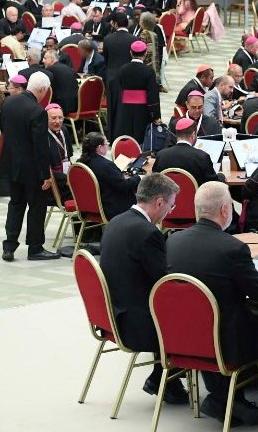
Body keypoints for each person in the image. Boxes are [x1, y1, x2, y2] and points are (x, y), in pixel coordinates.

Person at [166, 182, 258, 426]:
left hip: (179, 337)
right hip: (223, 342)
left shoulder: (172, 242)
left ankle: (224, 396)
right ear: (225, 210)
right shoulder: (232, 248)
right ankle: (230, 396)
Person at [98, 173, 188, 404]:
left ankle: (163, 378)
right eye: (171, 205)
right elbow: (164, 285)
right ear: (159, 203)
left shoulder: (115, 222)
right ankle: (172, 380)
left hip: (114, 312)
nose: (171, 211)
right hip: (137, 322)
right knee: (197, 311)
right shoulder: (148, 233)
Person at [1, 73, 60, 261]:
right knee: (36, 206)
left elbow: (4, 129)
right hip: (32, 168)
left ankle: (9, 246)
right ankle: (35, 247)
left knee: (15, 203)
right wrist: (45, 175)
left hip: (11, 163)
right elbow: (40, 146)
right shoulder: (37, 111)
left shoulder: (9, 103)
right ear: (43, 90)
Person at [78, 132, 142, 220]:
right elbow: (124, 186)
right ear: (99, 148)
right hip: (111, 207)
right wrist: (138, 178)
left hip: (88, 206)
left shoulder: (80, 163)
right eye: (106, 143)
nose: (108, 145)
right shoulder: (105, 166)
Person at [109, 40, 160, 141]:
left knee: (127, 133)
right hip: (142, 108)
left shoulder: (123, 69)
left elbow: (119, 87)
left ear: (131, 53)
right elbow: (152, 94)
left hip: (125, 107)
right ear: (145, 53)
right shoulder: (148, 71)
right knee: (140, 135)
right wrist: (155, 115)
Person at [152, 117, 226, 187]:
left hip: (168, 199)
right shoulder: (202, 157)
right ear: (193, 134)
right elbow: (212, 184)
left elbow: (154, 180)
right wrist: (221, 176)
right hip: (195, 200)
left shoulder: (161, 155)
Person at [42, 48, 78, 113]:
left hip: (60, 107)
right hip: (75, 105)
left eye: (45, 58)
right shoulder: (67, 67)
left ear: (52, 59)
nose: (43, 61)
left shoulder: (50, 70)